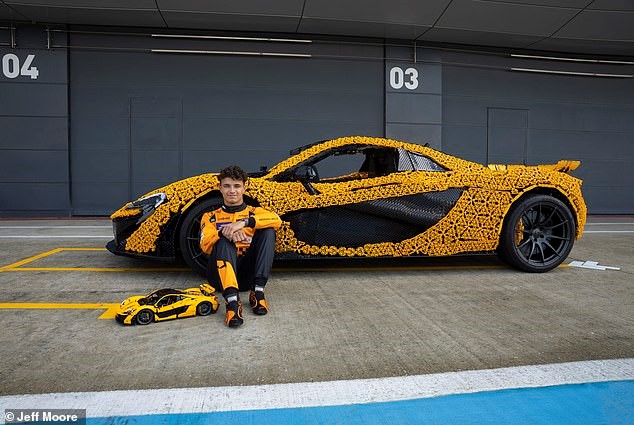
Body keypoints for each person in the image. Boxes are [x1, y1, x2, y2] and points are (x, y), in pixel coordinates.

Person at [199, 165, 282, 327]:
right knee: (223, 239)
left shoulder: (254, 212)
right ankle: (232, 303)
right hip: (219, 278)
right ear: (220, 188)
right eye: (227, 186)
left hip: (247, 277)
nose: (232, 191)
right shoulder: (209, 217)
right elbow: (205, 246)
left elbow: (276, 219)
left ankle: (258, 292)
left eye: (237, 186)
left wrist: (243, 223)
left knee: (268, 230)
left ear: (244, 187)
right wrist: (224, 233)